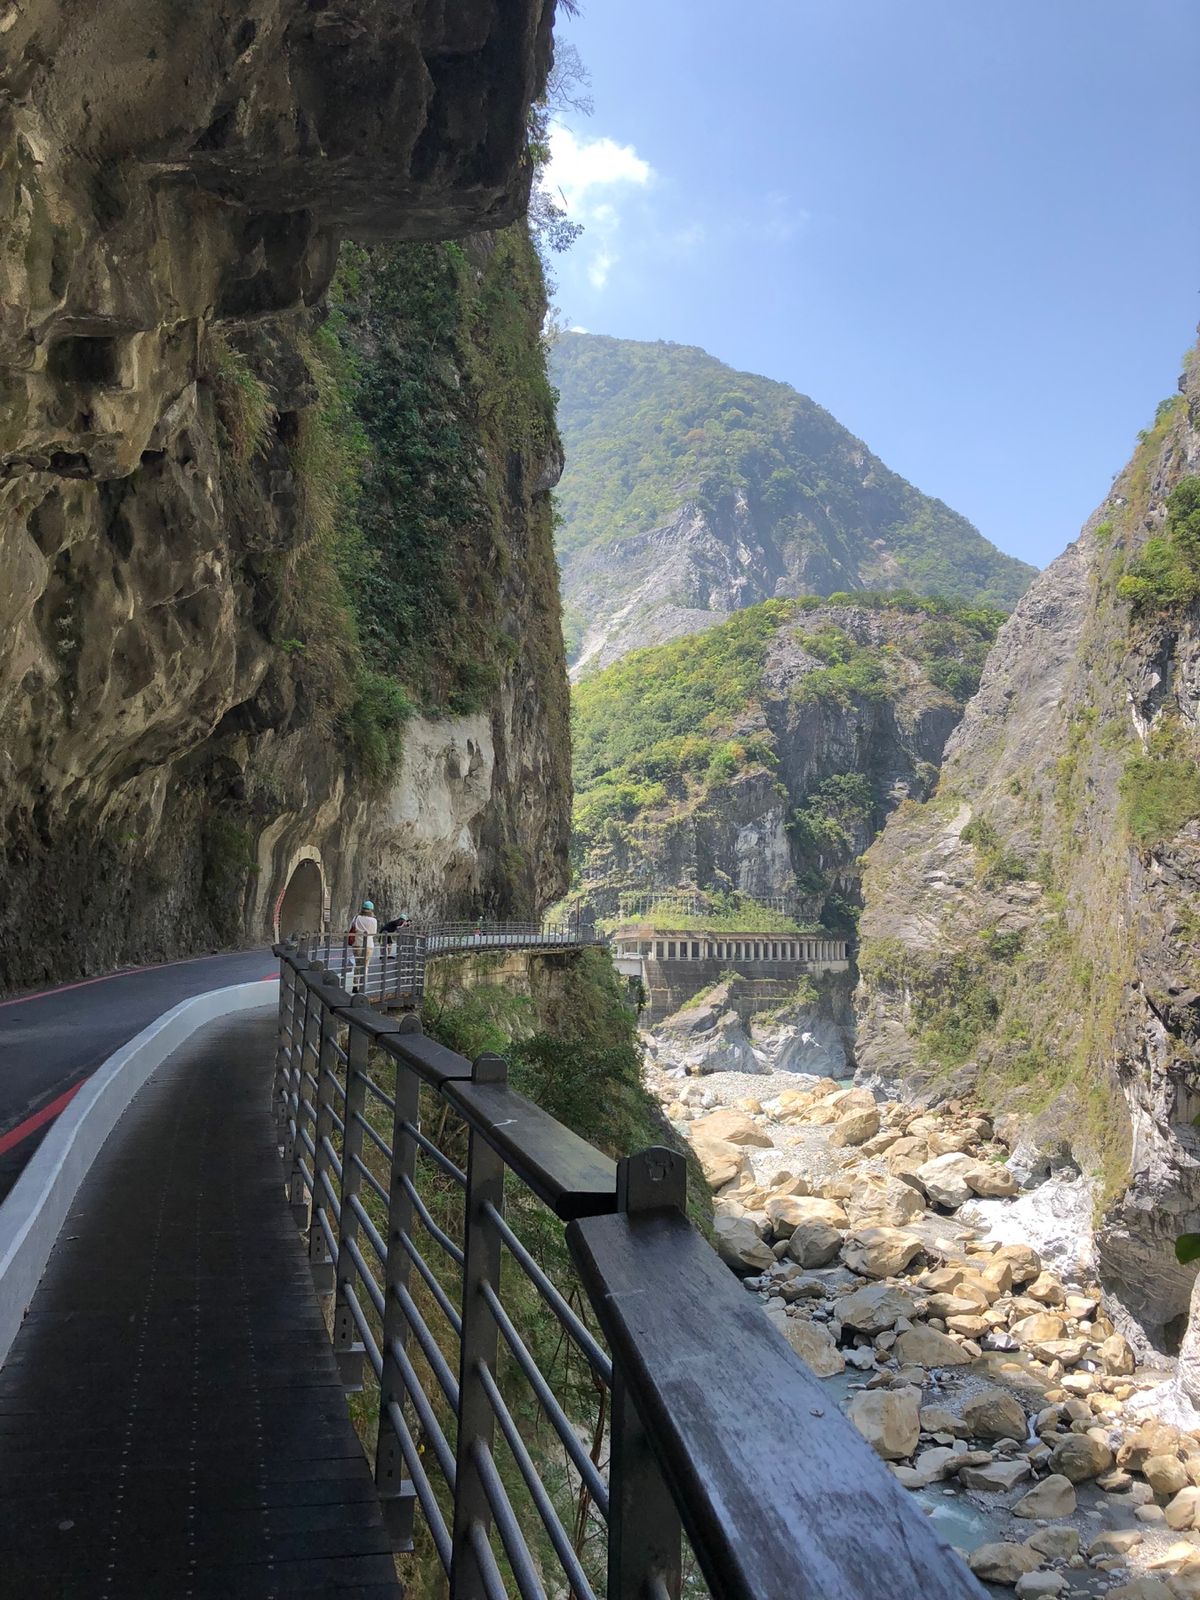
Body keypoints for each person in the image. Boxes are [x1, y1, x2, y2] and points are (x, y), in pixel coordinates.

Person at [347, 899, 378, 993]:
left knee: (357, 964)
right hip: (368, 945)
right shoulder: (373, 920)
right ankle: (363, 985)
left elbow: (352, 928)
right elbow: (373, 933)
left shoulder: (356, 918)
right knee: (365, 965)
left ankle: (355, 985)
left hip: (357, 944)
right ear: (371, 910)